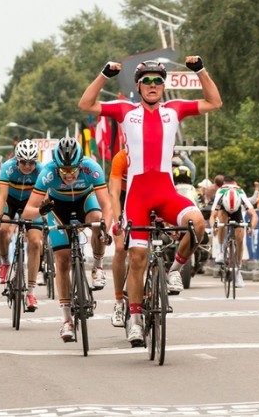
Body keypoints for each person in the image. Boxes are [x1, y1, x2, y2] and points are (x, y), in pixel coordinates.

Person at [77, 56, 221, 347]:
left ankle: (173, 271)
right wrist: (104, 74)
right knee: (138, 258)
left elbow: (214, 102)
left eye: (158, 81)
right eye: (148, 81)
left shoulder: (174, 109)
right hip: (138, 197)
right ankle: (136, 319)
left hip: (167, 193)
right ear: (139, 86)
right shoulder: (125, 111)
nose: (154, 85)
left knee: (198, 224)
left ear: (163, 86)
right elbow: (86, 104)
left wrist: (201, 70)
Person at [22, 137, 113, 342]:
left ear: (81, 164)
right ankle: (66, 321)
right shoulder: (48, 172)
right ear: (57, 167)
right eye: (64, 171)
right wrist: (40, 211)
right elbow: (27, 212)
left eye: (73, 170)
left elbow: (106, 203)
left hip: (85, 202)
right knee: (62, 261)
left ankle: (97, 266)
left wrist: (107, 226)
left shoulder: (91, 168)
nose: (69, 175)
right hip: (58, 208)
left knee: (98, 221)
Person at [0, 139, 44, 313]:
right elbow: (2, 198)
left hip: (30, 203)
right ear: (17, 160)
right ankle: (5, 263)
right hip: (10, 203)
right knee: (4, 229)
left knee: (35, 242)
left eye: (31, 162)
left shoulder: (41, 171)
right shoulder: (8, 168)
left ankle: (31, 292)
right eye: (23, 162)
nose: (27, 166)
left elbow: (46, 198)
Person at [208, 177, 258, 288]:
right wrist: (214, 227)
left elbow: (254, 215)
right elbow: (212, 216)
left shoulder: (241, 195)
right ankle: (221, 251)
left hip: (237, 212)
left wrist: (251, 227)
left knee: (240, 237)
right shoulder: (220, 194)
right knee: (222, 218)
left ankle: (238, 270)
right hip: (223, 210)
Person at [107, 148, 128, 328]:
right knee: (121, 248)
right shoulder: (121, 157)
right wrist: (118, 220)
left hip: (146, 196)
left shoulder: (154, 153)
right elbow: (114, 194)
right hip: (123, 198)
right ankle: (119, 302)